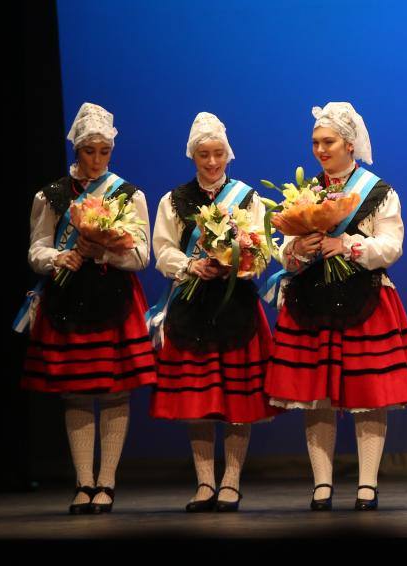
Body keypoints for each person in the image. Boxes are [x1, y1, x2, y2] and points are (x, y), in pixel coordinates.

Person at [264, 102, 407, 511]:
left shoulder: (379, 192)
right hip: (312, 301)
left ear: (350, 145)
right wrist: (298, 248)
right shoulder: (305, 193)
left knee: (367, 394)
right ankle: (322, 484)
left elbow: (391, 246)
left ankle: (367, 484)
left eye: (328, 142)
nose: (320, 149)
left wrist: (347, 245)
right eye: (315, 142)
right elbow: (283, 252)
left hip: (364, 300)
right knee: (316, 395)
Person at [21, 102, 157, 514]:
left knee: (115, 391)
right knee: (76, 391)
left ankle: (107, 482)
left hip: (113, 297)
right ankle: (83, 482)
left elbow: (141, 256)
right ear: (76, 150)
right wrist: (56, 259)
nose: (96, 160)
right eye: (89, 151)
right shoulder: (51, 195)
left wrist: (104, 251)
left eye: (104, 151)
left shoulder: (129, 194)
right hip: (68, 299)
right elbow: (37, 247)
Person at [150, 112, 279, 512]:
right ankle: (205, 483)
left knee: (237, 400)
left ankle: (231, 481)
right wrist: (191, 266)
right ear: (192, 155)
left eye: (218, 153)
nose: (211, 162)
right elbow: (163, 249)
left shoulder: (247, 198)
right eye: (203, 155)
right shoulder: (173, 200)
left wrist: (238, 264)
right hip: (191, 306)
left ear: (228, 153)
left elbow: (262, 251)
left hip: (235, 305)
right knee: (199, 400)